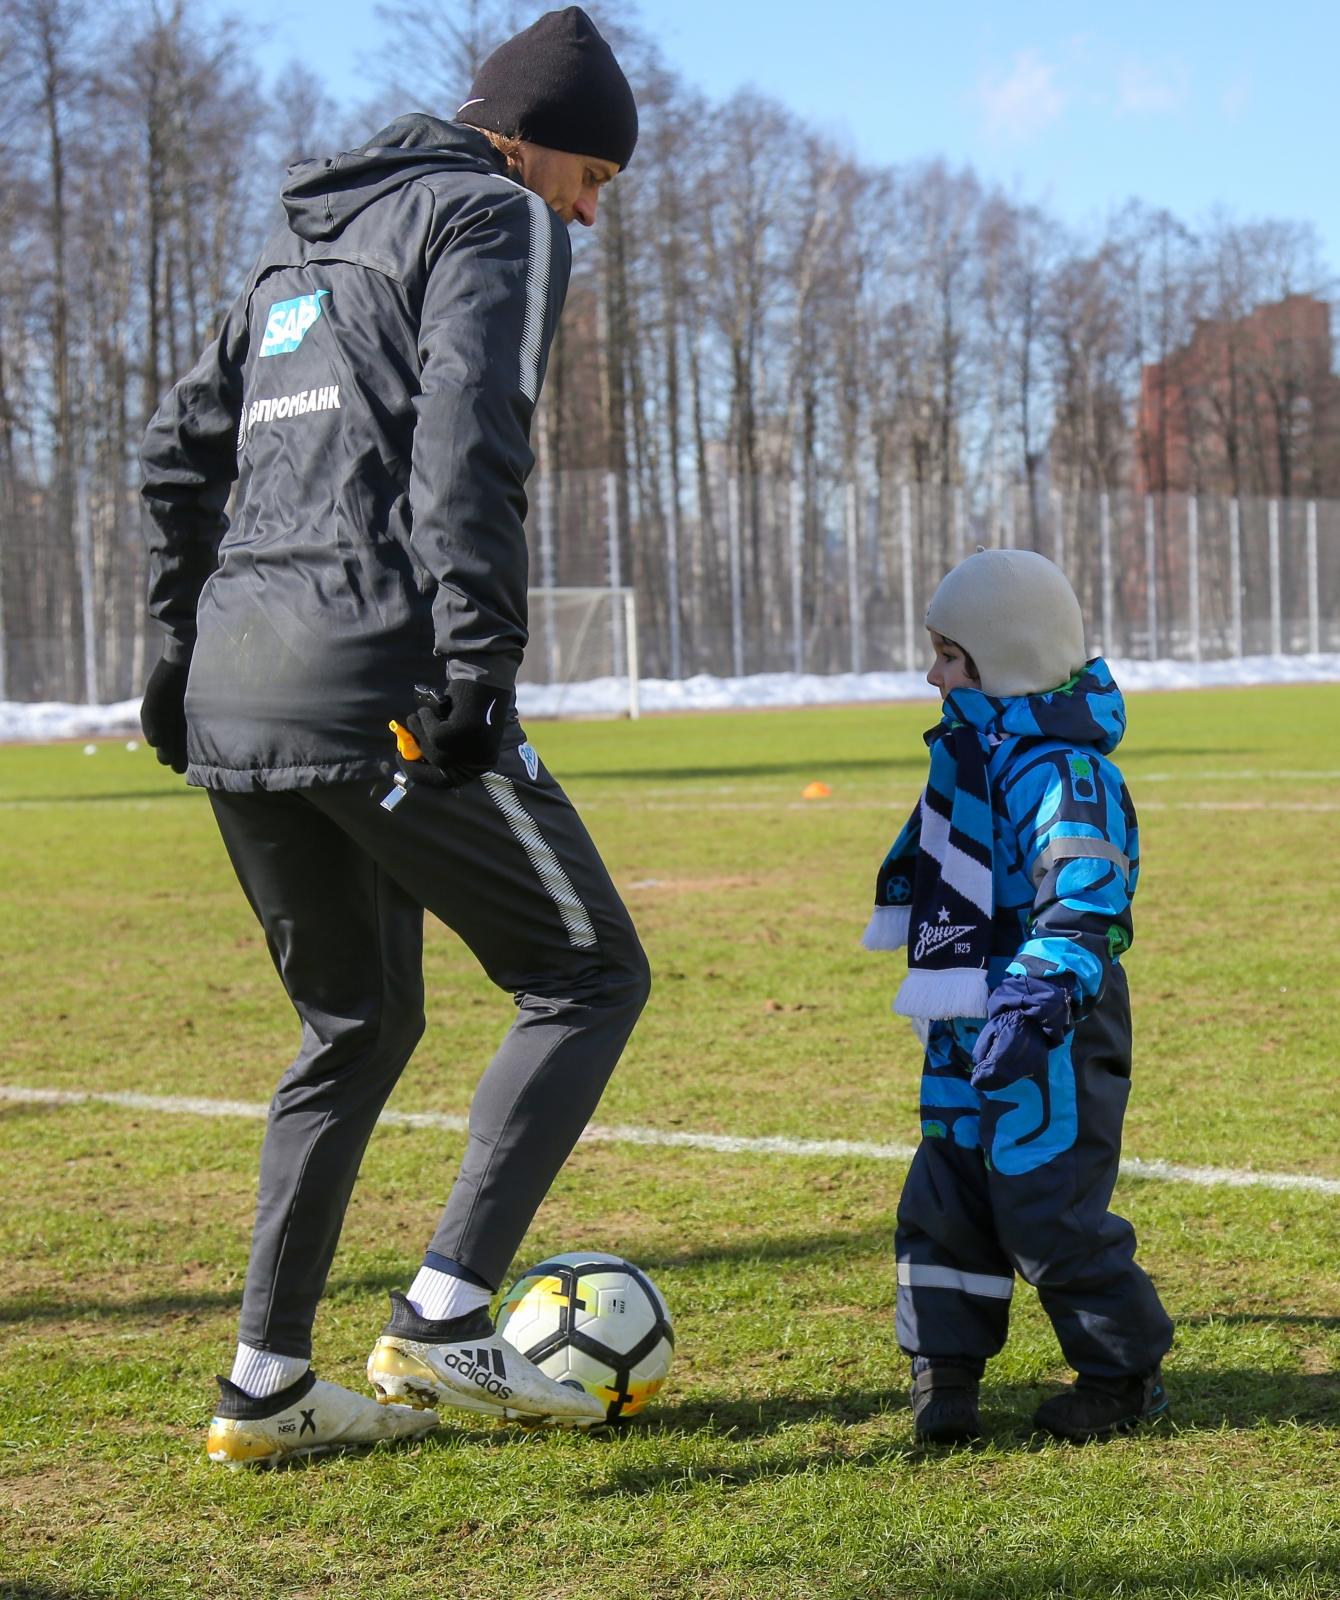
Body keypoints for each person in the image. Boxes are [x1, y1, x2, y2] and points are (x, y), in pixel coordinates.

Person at [138, 8, 651, 1467]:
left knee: (352, 1029)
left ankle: (268, 1387)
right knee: (589, 973)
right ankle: (440, 1323)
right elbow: (471, 434)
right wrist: (479, 659)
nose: (590, 208)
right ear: (529, 136)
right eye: (594, 174)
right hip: (379, 679)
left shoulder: (292, 252)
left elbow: (178, 453)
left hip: (243, 688)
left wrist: (174, 646)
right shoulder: (491, 213)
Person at [862, 549, 1174, 1444]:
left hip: (1049, 1021)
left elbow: (1085, 901)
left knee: (1047, 1202)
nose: (933, 673)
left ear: (1006, 657)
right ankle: (946, 1368)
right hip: (966, 1016)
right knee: (947, 1189)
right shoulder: (973, 753)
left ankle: (1122, 1375)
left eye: (949, 655)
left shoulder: (1064, 775)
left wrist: (1036, 1002)